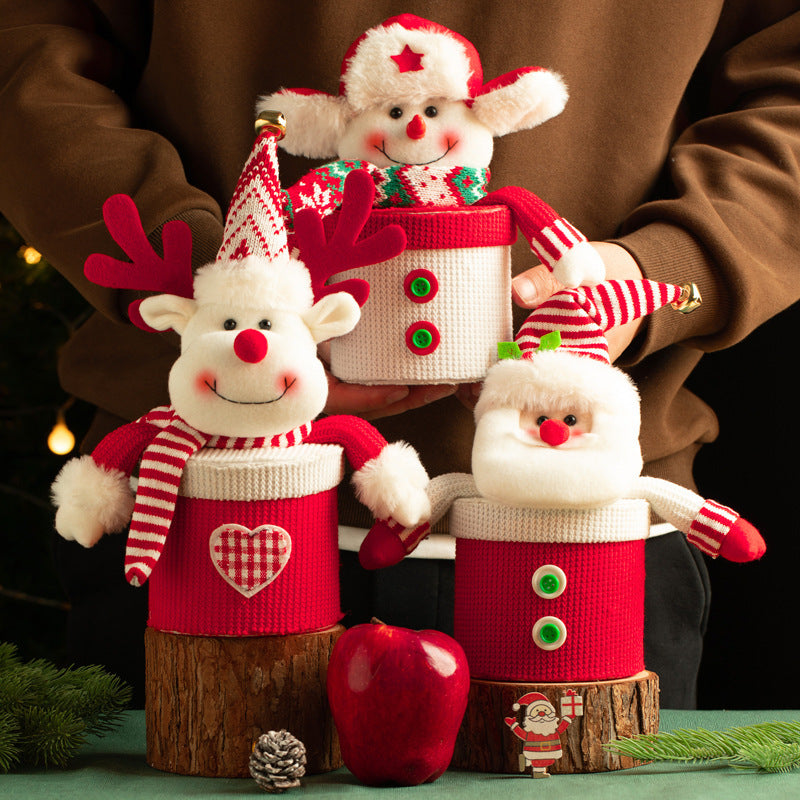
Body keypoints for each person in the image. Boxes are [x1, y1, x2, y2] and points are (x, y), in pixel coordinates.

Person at [1, 2, 798, 710]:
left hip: (594, 534)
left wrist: (650, 272)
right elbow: (26, 47)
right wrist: (237, 295)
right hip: (196, 515)